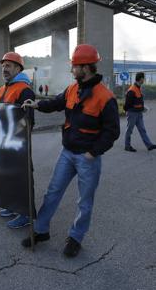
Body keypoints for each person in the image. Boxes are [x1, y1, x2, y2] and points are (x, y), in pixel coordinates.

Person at [21, 44, 120, 257]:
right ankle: (40, 231)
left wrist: (93, 152)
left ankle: (75, 237)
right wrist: (36, 105)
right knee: (53, 192)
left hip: (88, 157)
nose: (72, 70)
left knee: (85, 202)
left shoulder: (105, 97)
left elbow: (112, 132)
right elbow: (57, 103)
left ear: (86, 67)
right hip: (67, 153)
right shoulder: (72, 89)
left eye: (74, 66)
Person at [0, 52, 35, 229]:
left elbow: (28, 121)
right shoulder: (2, 89)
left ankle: (26, 214)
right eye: (3, 66)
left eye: (8, 65)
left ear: (18, 69)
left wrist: (15, 138)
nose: (4, 69)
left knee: (22, 179)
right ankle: (12, 206)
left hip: (17, 143)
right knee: (7, 176)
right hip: (1, 141)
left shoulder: (25, 90)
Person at [123, 72, 156, 152]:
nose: (144, 79)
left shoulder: (138, 88)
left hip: (139, 113)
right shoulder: (132, 90)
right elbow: (127, 104)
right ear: (141, 79)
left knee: (142, 130)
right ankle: (127, 146)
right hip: (132, 113)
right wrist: (127, 111)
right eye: (144, 78)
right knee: (129, 130)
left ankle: (149, 145)